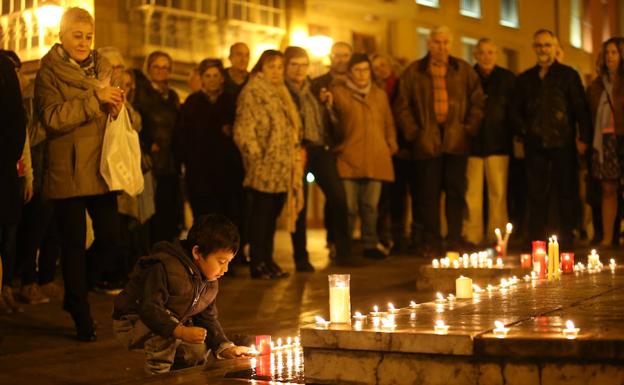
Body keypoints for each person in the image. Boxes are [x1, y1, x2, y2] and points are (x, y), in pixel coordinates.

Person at [34, 7, 124, 341]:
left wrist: (116, 104)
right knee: (72, 243)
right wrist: (95, 100)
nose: (84, 42)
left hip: (100, 166)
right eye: (77, 35)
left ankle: (75, 290)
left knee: (111, 237)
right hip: (67, 168)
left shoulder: (104, 67)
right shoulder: (49, 72)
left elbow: (114, 110)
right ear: (62, 35)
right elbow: (52, 118)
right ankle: (82, 315)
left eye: (88, 36)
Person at [112, 214, 251, 374]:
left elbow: (207, 318)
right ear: (197, 252)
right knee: (167, 326)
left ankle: (181, 376)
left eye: (229, 262)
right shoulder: (165, 267)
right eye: (221, 262)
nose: (225, 269)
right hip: (134, 321)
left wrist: (225, 347)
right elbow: (149, 309)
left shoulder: (209, 280)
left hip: (171, 321)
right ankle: (157, 375)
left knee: (198, 349)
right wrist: (181, 332)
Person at [394, 26, 485, 257]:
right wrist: (415, 134)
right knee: (428, 196)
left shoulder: (463, 70)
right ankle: (431, 241)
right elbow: (402, 106)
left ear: (451, 44)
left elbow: (478, 102)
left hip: (456, 141)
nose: (442, 47)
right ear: (429, 43)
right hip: (427, 143)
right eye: (437, 42)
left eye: (446, 42)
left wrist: (467, 129)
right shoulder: (413, 71)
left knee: (456, 193)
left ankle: (454, 240)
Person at [513, 29, 591, 248]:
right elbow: (515, 110)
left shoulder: (568, 75)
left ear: (555, 48)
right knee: (536, 192)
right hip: (535, 144)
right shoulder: (526, 78)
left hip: (562, 142)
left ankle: (565, 238)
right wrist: (525, 130)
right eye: (539, 45)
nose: (543, 50)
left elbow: (579, 108)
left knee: (565, 190)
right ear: (533, 48)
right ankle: (537, 239)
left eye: (547, 45)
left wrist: (583, 137)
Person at [283, 46, 357, 270]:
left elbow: (330, 118)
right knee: (300, 206)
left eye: (303, 65)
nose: (299, 70)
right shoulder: (283, 91)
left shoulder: (315, 88)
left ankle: (343, 251)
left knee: (338, 198)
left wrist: (329, 104)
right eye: (294, 65)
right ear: (286, 67)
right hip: (298, 151)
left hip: (321, 149)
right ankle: (300, 257)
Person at [234, 50, 304, 279]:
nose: (276, 72)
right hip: (264, 165)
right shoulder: (254, 91)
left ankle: (268, 259)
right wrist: (256, 157)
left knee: (272, 215)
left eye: (279, 67)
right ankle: (258, 262)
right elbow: (244, 128)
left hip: (282, 165)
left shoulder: (281, 92)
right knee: (261, 215)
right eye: (271, 67)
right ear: (261, 68)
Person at [331, 53, 398, 259]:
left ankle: (371, 243)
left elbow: (388, 122)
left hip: (376, 156)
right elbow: (333, 122)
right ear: (350, 72)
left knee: (370, 207)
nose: (362, 74)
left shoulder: (379, 95)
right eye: (357, 70)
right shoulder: (339, 93)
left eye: (365, 70)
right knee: (349, 207)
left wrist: (391, 143)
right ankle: (345, 245)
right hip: (349, 156)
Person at [175, 59, 244, 247]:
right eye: (208, 76)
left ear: (222, 78)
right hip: (200, 172)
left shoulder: (231, 101)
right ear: (201, 79)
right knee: (203, 218)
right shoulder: (192, 102)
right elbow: (183, 136)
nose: (212, 80)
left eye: (216, 76)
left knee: (227, 217)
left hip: (227, 172)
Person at [463, 38, 515, 246]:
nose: (486, 57)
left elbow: (513, 110)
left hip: (499, 143)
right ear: (475, 55)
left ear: (496, 54)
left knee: (498, 194)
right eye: (482, 53)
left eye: (490, 52)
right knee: (471, 195)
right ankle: (471, 235)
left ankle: (498, 235)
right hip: (472, 144)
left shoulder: (508, 79)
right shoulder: (468, 76)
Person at [134, 50, 182, 243]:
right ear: (149, 68)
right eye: (157, 66)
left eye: (165, 67)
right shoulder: (141, 93)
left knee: (168, 210)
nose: (161, 71)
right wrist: (147, 143)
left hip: (170, 160)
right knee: (151, 212)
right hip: (151, 161)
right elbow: (138, 123)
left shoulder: (172, 95)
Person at [311, 42, 353, 257]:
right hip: (326, 147)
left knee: (344, 198)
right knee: (336, 196)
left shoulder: (356, 82)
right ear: (330, 56)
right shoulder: (319, 84)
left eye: (345, 55)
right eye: (337, 55)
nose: (341, 59)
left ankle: (345, 243)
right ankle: (336, 243)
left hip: (352, 147)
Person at [371, 53, 415, 254]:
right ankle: (382, 235)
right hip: (380, 148)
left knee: (399, 194)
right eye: (376, 67)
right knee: (382, 196)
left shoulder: (401, 85)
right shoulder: (372, 89)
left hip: (402, 149)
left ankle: (400, 235)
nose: (380, 69)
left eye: (383, 65)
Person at [586, 37, 624, 248]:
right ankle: (608, 237)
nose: (610, 56)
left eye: (614, 52)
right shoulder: (597, 84)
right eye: (607, 52)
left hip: (622, 137)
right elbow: (588, 112)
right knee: (608, 190)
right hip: (604, 141)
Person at [0, 50, 27, 313]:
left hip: (4, 168)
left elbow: (16, 121)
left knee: (7, 234)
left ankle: (5, 286)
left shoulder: (4, 70)